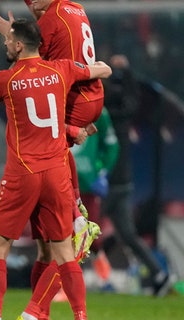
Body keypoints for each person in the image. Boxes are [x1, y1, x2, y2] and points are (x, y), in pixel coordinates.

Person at [0, 18, 112, 320]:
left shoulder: (4, 80)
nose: (5, 44)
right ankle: (80, 315)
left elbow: (21, 102)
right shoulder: (62, 69)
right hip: (57, 173)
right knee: (64, 252)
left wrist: (13, 39)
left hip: (23, 172)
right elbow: (102, 69)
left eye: (8, 41)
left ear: (17, 44)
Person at [0, 0, 104, 263]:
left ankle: (78, 219)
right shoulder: (74, 7)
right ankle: (37, 306)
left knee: (38, 136)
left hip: (74, 100)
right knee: (45, 247)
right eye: (28, 3)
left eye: (34, 2)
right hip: (89, 93)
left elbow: (26, 64)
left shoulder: (49, 20)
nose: (33, 7)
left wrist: (10, 35)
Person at [102, 54, 175, 296]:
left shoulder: (103, 116)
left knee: (79, 230)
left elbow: (126, 98)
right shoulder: (122, 116)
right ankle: (158, 273)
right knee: (125, 234)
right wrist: (128, 72)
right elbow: (132, 99)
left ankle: (69, 278)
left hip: (106, 183)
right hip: (121, 181)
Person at [70, 107, 119, 290]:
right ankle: (65, 285)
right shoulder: (55, 99)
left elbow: (111, 145)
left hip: (87, 183)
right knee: (62, 234)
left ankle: (104, 277)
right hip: (60, 179)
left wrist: (101, 171)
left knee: (89, 235)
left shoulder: (98, 110)